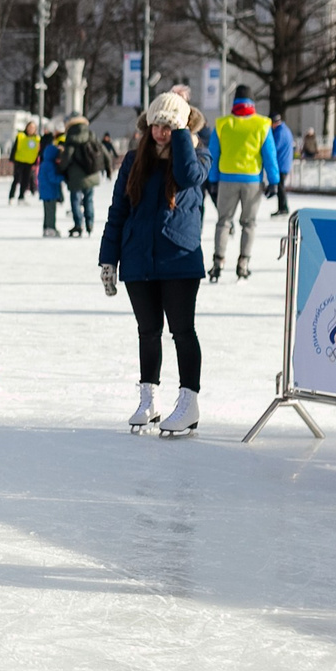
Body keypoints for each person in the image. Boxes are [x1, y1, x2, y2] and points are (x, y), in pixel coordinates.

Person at [98, 92, 207, 436]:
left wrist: (181, 135)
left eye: (169, 126)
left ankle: (189, 402)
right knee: (147, 331)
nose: (160, 132)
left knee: (182, 331)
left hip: (179, 258)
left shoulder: (197, 156)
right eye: (156, 125)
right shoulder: (135, 160)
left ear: (182, 127)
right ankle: (149, 398)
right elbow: (118, 211)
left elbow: (188, 176)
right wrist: (108, 258)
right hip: (138, 257)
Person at [204, 90, 277, 281]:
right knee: (249, 223)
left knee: (223, 221)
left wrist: (213, 179)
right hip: (252, 180)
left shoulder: (222, 124)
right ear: (252, 102)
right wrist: (274, 181)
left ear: (234, 101)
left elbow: (213, 154)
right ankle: (243, 263)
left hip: (226, 179)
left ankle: (218, 262)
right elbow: (270, 155)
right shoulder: (262, 124)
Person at [59, 114, 107, 237]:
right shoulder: (91, 135)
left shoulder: (71, 137)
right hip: (90, 173)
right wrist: (108, 166)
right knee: (88, 199)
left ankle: (78, 224)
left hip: (75, 175)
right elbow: (102, 150)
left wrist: (61, 168)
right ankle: (90, 223)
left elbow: (67, 156)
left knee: (75, 200)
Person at [37, 122, 66, 234]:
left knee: (47, 211)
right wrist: (62, 177)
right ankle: (51, 228)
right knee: (51, 211)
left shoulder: (44, 163)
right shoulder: (50, 165)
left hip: (45, 192)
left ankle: (46, 228)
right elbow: (52, 178)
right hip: (50, 192)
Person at [268, 111, 296, 217]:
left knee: (280, 187)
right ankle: (283, 207)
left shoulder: (280, 132)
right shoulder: (285, 129)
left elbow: (274, 147)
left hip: (281, 163)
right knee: (281, 186)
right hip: (284, 162)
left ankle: (283, 208)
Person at [8, 118, 40, 203]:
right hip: (19, 160)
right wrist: (11, 158)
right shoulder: (21, 136)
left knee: (25, 180)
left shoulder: (37, 139)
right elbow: (15, 147)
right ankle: (11, 196)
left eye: (33, 128)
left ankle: (21, 197)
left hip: (29, 162)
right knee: (16, 179)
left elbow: (37, 151)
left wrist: (35, 162)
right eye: (30, 127)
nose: (31, 129)